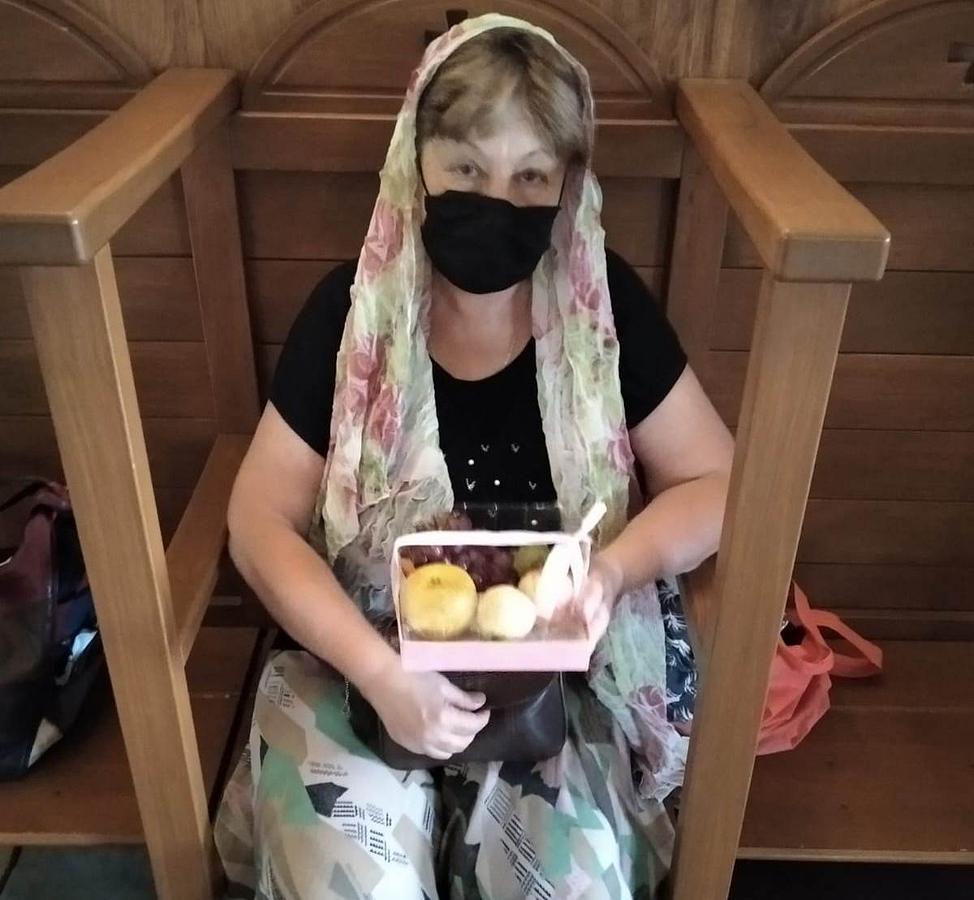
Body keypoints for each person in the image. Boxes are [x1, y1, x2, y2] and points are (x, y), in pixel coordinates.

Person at [215, 13, 733, 900]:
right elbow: (257, 522)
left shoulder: (602, 314)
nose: (496, 200)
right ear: (415, 163)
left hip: (557, 683)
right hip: (361, 657)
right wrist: (380, 673)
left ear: (567, 181)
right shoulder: (351, 316)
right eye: (466, 169)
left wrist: (613, 571)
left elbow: (720, 483)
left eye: (530, 175)